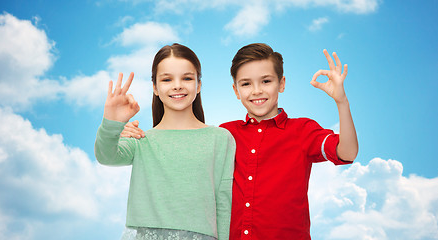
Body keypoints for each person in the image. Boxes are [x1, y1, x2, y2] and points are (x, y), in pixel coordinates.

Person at [121, 43, 358, 240]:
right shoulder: (224, 134)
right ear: (235, 90)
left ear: (282, 84)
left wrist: (341, 101)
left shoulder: (302, 130)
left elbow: (346, 152)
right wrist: (131, 134)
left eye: (266, 81)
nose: (256, 91)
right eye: (246, 83)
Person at [95, 43, 235, 240]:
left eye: (187, 78)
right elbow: (105, 155)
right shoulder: (140, 139)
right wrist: (112, 123)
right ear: (155, 88)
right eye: (167, 79)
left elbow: (224, 202)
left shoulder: (220, 138)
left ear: (199, 84)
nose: (177, 85)